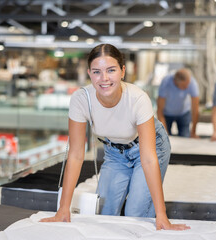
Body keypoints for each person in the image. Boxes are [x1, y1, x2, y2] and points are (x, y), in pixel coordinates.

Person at [41, 44, 189, 231]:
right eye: (96, 72)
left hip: (150, 147)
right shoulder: (81, 99)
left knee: (136, 213)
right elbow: (76, 154)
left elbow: (149, 159)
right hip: (114, 151)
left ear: (122, 71)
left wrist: (161, 215)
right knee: (104, 212)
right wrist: (63, 209)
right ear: (89, 73)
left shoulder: (137, 99)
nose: (104, 79)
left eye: (111, 70)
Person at [157, 68, 199, 138]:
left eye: (187, 85)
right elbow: (159, 109)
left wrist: (193, 132)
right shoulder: (166, 83)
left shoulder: (192, 83)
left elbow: (195, 109)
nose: (187, 87)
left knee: (185, 137)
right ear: (175, 82)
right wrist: (164, 133)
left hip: (184, 113)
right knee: (165, 139)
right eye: (184, 86)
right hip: (167, 114)